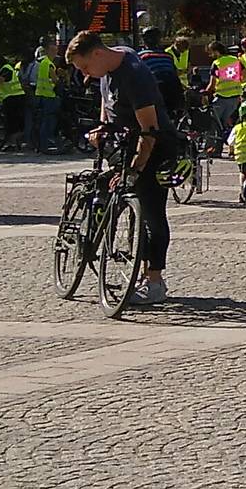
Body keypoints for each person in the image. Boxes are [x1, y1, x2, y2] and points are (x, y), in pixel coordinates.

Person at [70, 29, 176, 300]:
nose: (85, 75)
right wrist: (103, 126)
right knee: (108, 189)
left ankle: (154, 283)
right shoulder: (110, 63)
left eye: (85, 67)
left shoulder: (134, 75)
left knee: (151, 212)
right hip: (127, 142)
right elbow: (107, 100)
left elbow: (150, 130)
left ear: (97, 53)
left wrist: (135, 170)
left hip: (155, 146)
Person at [27, 39, 64, 153]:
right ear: (49, 51)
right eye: (54, 50)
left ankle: (42, 144)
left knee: (44, 120)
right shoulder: (49, 64)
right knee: (50, 120)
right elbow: (55, 80)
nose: (56, 52)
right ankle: (47, 143)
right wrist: (61, 78)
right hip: (49, 96)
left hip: (41, 95)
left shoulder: (43, 62)